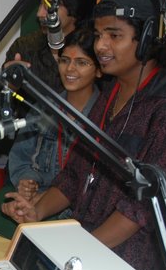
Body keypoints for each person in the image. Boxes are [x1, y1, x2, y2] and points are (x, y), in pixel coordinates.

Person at [2, 0, 166, 270]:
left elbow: (140, 210)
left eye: (114, 35)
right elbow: (76, 173)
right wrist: (37, 210)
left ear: (147, 38)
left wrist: (79, 252)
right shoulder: (110, 93)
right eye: (99, 35)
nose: (100, 46)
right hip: (87, 256)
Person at [0, 0, 98, 121]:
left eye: (49, 6)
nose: (39, 13)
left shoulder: (97, 51)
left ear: (76, 8)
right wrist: (9, 86)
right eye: (40, 3)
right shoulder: (25, 48)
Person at [7, 27, 102, 203]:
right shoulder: (44, 107)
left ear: (99, 70)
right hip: (37, 198)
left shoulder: (105, 115)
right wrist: (27, 181)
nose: (70, 69)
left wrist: (44, 200)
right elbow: (20, 156)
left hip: (79, 207)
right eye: (64, 60)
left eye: (81, 63)